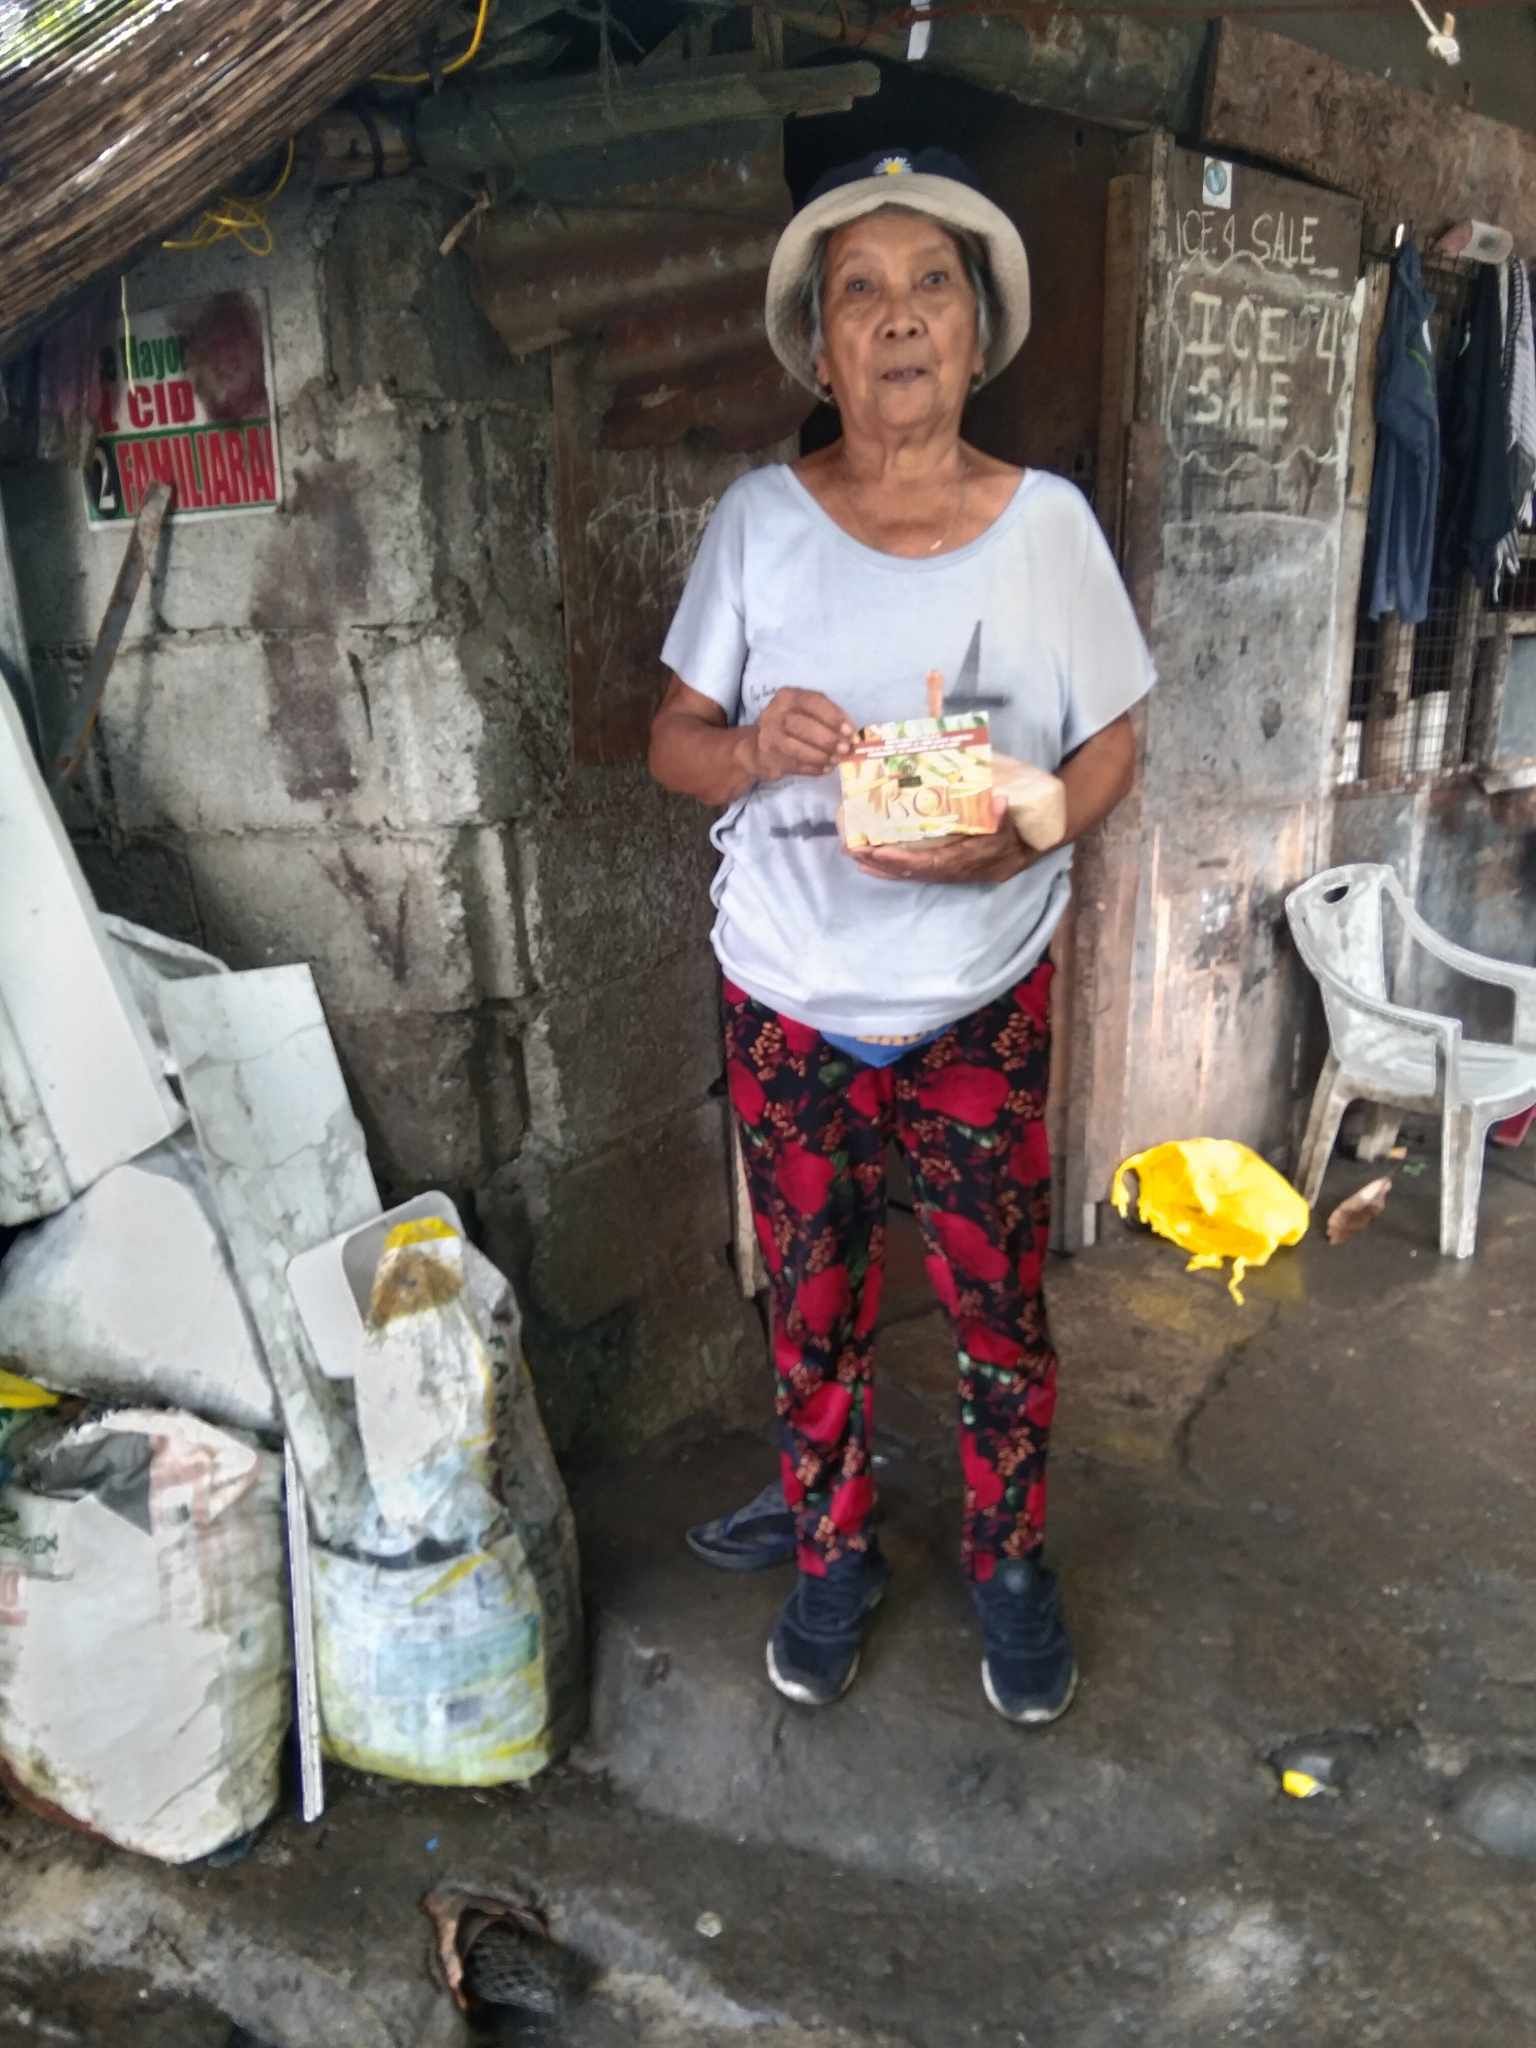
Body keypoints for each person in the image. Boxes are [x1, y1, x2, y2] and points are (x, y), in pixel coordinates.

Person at [648, 148, 1154, 1724]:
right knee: (811, 1304)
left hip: (978, 992)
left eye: (931, 282)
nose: (899, 318)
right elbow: (673, 738)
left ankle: (1008, 1564)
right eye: (860, 292)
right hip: (792, 993)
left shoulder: (1049, 528)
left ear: (979, 332)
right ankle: (831, 1551)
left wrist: (1030, 825)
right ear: (821, 350)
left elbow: (1115, 739)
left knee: (999, 1301)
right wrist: (752, 752)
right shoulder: (757, 524)